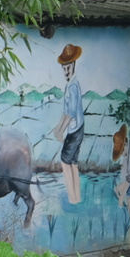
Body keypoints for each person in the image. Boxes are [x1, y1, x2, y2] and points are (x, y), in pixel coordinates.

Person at [54, 44, 85, 205]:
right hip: (78, 129)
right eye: (64, 69)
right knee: (73, 163)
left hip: (74, 131)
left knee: (65, 162)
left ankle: (73, 198)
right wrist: (58, 127)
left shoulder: (72, 86)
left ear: (73, 65)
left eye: (68, 68)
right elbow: (66, 111)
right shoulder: (72, 84)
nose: (66, 72)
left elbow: (71, 113)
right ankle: (76, 198)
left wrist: (61, 131)